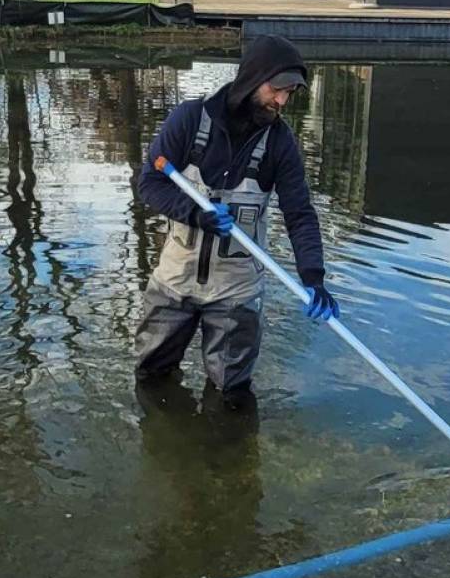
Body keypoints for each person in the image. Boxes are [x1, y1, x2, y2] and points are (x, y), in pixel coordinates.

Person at [133, 34, 337, 409]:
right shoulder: (189, 121)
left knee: (232, 398)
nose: (282, 101)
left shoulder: (280, 143)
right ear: (251, 79)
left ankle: (227, 462)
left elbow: (299, 213)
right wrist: (195, 214)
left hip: (236, 292)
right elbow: (149, 184)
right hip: (174, 282)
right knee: (151, 380)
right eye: (277, 89)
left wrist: (314, 277)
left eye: (290, 93)